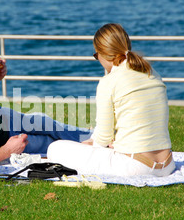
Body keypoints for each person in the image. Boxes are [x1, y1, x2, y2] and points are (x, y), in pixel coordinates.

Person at [47, 23, 175, 177]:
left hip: (136, 167)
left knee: (54, 149)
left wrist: (89, 145)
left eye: (96, 56)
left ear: (102, 54)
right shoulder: (151, 72)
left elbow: (103, 138)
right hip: (167, 164)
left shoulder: (109, 82)